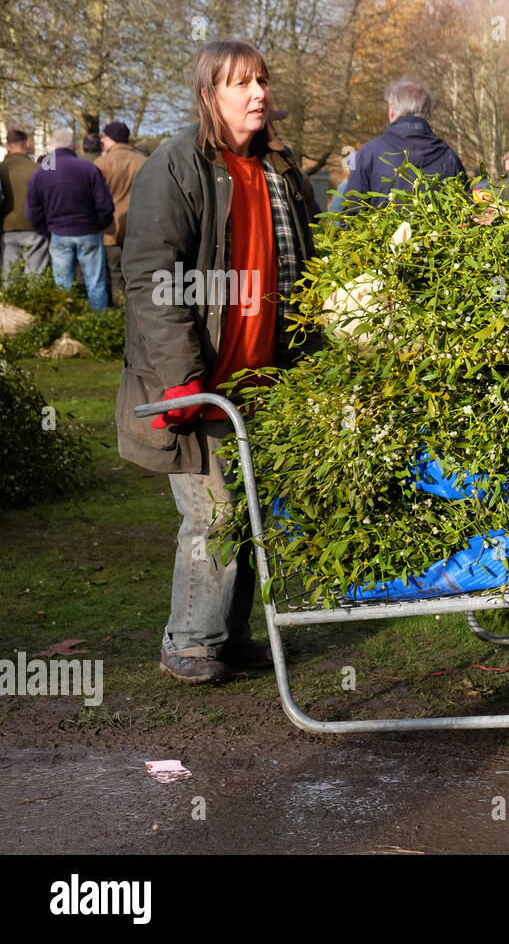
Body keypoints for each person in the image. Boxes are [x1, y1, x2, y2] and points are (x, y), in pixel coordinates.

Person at [114, 39, 317, 684]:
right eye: (241, 84)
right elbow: (150, 276)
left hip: (267, 374)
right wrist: (181, 375)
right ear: (210, 95)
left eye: (261, 80)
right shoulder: (175, 166)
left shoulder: (281, 169)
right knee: (214, 510)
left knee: (253, 506)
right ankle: (191, 641)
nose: (258, 94)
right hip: (202, 377)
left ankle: (228, 634)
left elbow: (306, 270)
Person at [339, 76, 465, 213]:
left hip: (380, 234)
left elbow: (351, 215)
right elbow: (465, 211)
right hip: (438, 234)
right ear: (427, 113)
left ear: (392, 112)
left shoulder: (369, 154)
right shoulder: (448, 156)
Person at [25, 128, 114, 311]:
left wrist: (47, 230)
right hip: (88, 231)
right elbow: (105, 206)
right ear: (74, 146)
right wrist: (96, 226)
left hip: (59, 233)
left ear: (52, 147)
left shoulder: (42, 172)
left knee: (62, 287)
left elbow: (33, 210)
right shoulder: (88, 168)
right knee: (95, 284)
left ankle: (65, 327)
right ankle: (99, 328)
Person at [94, 121, 148, 307]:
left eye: (104, 137)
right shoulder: (143, 160)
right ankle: (136, 308)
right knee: (137, 273)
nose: (102, 140)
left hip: (111, 226)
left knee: (115, 271)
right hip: (139, 225)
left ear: (110, 139)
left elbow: (95, 196)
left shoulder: (102, 163)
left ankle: (119, 309)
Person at [0, 129, 50, 276]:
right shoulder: (39, 169)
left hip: (7, 228)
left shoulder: (1, 169)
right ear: (27, 144)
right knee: (35, 279)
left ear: (8, 146)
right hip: (35, 227)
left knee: (10, 278)